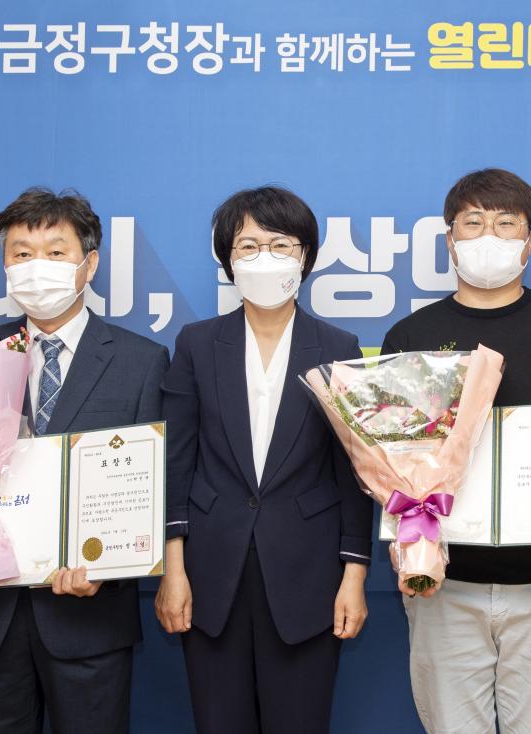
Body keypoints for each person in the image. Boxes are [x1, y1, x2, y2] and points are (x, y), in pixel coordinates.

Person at [0, 187, 170, 733]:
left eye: (55, 252)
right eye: (22, 253)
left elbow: (158, 484)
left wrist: (109, 570)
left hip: (88, 619)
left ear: (89, 265)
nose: (37, 266)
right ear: (5, 266)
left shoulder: (142, 361)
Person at [380, 168, 531, 734]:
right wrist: (410, 534)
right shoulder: (410, 337)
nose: (489, 236)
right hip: (444, 583)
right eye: (473, 223)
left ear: (529, 241)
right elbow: (388, 455)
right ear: (450, 239)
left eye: (506, 224)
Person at [154, 186, 373, 734]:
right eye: (248, 246)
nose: (263, 258)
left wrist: (354, 575)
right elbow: (176, 463)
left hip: (309, 576)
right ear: (228, 259)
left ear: (305, 257)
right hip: (209, 576)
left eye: (280, 245)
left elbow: (352, 472)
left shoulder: (338, 346)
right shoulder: (197, 344)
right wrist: (173, 570)